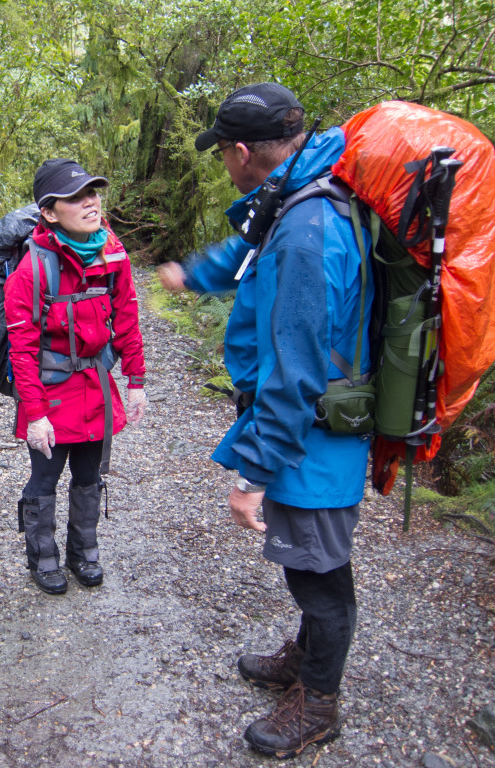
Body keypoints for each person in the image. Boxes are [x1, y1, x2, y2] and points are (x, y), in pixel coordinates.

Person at [159, 83, 373, 758]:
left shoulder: (306, 233)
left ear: (243, 151)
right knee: (312, 562)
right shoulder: (297, 195)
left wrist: (253, 473)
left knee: (319, 573)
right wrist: (193, 276)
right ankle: (306, 659)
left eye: (223, 153)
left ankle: (319, 701)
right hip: (313, 433)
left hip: (313, 437)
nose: (224, 164)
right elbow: (244, 256)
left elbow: (296, 370)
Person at [4, 158, 147, 595]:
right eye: (76, 197)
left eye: (94, 192)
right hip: (49, 391)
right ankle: (42, 557)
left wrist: (136, 380)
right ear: (49, 212)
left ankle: (83, 551)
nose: (91, 202)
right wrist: (36, 414)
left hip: (97, 389)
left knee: (90, 476)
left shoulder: (112, 251)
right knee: (45, 479)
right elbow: (23, 349)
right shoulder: (33, 269)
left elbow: (126, 316)